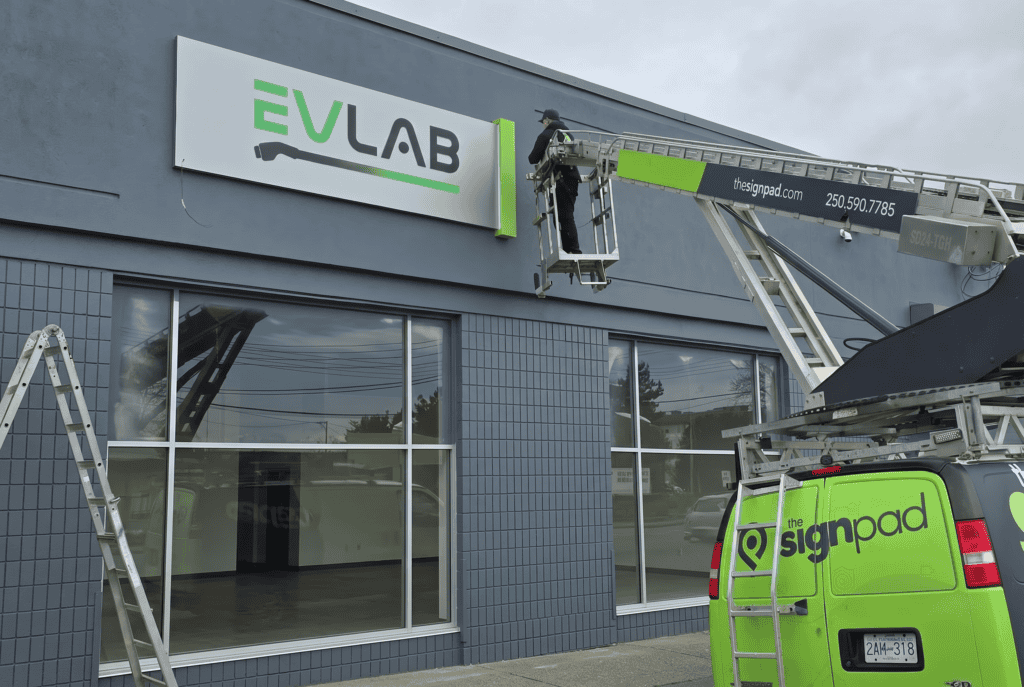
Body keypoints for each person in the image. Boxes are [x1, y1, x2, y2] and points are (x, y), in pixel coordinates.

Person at [528, 108, 583, 254]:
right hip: (572, 180)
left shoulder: (546, 135)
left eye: (543, 122)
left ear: (546, 121)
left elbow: (532, 158)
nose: (543, 125)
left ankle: (572, 250)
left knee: (562, 216)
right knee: (565, 214)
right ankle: (570, 249)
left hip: (560, 180)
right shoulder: (568, 135)